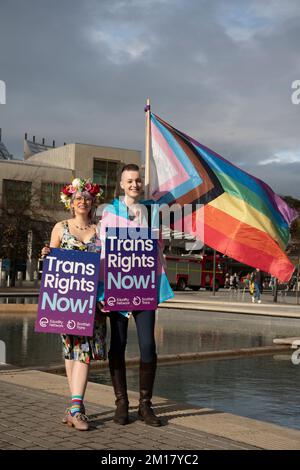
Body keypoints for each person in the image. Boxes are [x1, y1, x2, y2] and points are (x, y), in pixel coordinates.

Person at [99, 164, 174, 427]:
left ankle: (145, 405)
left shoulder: (152, 212)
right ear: (121, 184)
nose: (134, 184)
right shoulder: (110, 212)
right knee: (117, 345)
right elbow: (103, 254)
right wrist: (102, 293)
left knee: (148, 347)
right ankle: (121, 402)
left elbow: (158, 249)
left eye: (138, 180)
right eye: (129, 180)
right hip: (118, 285)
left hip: (143, 285)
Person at [41, 178, 106, 431]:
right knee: (72, 351)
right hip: (67, 300)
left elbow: (108, 265)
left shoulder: (100, 230)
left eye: (87, 198)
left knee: (84, 353)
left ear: (92, 203)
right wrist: (46, 255)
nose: (83, 201)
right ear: (71, 202)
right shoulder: (60, 227)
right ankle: (75, 407)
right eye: (78, 198)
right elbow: (51, 264)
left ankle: (75, 408)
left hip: (94, 300)